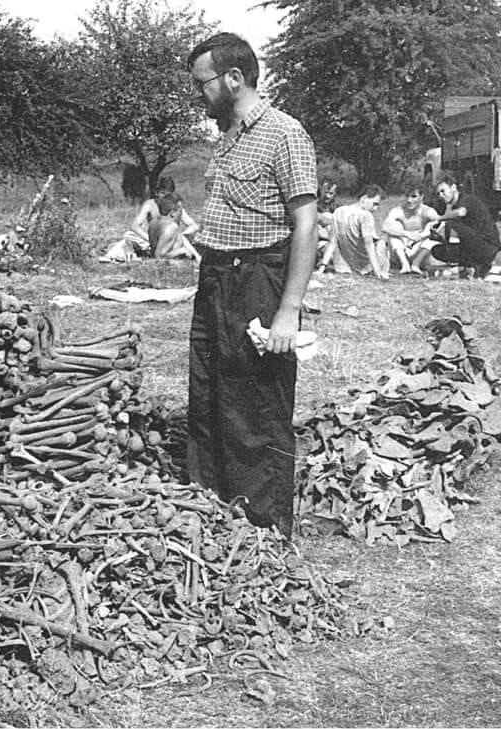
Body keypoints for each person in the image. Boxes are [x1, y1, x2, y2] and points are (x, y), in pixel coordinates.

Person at [185, 32, 317, 539]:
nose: (199, 94)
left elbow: (306, 224)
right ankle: (212, 516)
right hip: (216, 278)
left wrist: (288, 310)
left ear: (234, 78)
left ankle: (263, 532)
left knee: (256, 405)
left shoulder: (284, 134)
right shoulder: (228, 137)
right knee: (209, 395)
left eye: (203, 84)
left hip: (258, 278)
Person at [411, 175, 501, 278]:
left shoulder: (467, 200)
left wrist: (440, 218)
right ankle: (471, 267)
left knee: (450, 224)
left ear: (453, 187)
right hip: (472, 244)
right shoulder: (452, 206)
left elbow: (460, 213)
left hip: (487, 246)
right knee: (437, 250)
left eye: (443, 191)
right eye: (438, 193)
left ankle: (476, 265)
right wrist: (425, 236)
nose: (441, 195)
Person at [320, 185, 387, 278]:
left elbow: (332, 242)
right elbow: (369, 244)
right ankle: (382, 271)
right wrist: (378, 272)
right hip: (363, 266)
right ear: (364, 199)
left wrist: (322, 267)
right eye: (374, 204)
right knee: (382, 243)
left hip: (342, 267)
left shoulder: (339, 211)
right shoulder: (366, 215)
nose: (375, 208)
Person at [380, 183, 440, 275]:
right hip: (401, 250)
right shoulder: (398, 210)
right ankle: (404, 264)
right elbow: (385, 226)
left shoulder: (427, 211)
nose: (409, 200)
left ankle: (416, 264)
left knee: (432, 233)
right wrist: (406, 234)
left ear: (421, 197)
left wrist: (423, 234)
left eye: (413, 196)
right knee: (394, 228)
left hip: (419, 249)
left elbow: (440, 224)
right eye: (407, 196)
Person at [148, 192, 202, 261]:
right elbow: (158, 256)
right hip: (170, 263)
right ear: (172, 213)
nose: (181, 213)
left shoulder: (153, 221)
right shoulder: (171, 227)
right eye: (180, 211)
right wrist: (181, 251)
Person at [315, 179, 338, 256]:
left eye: (331, 193)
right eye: (326, 193)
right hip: (320, 240)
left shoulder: (337, 209)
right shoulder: (315, 206)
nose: (327, 196)